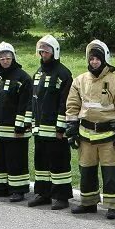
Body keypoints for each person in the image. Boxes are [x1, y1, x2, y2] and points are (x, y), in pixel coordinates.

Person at [64, 40, 115, 219]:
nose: (94, 62)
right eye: (91, 58)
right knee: (86, 171)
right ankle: (88, 203)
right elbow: (72, 107)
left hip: (109, 135)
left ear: (105, 59)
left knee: (111, 172)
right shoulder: (80, 80)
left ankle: (113, 205)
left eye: (97, 59)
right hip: (86, 134)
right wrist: (71, 131)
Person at [0, 42, 33, 202]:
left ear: (13, 57)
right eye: (1, 58)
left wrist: (20, 125)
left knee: (16, 160)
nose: (5, 60)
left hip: (15, 131)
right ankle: (1, 187)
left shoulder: (23, 79)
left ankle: (18, 190)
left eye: (8, 57)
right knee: (0, 160)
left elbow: (26, 104)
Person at [28, 35, 74, 210]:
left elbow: (66, 103)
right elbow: (34, 101)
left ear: (54, 51)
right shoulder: (38, 73)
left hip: (56, 130)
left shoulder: (63, 74)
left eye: (46, 50)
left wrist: (61, 126)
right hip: (40, 130)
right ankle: (43, 194)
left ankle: (61, 197)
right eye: (41, 50)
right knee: (41, 164)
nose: (43, 53)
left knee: (59, 163)